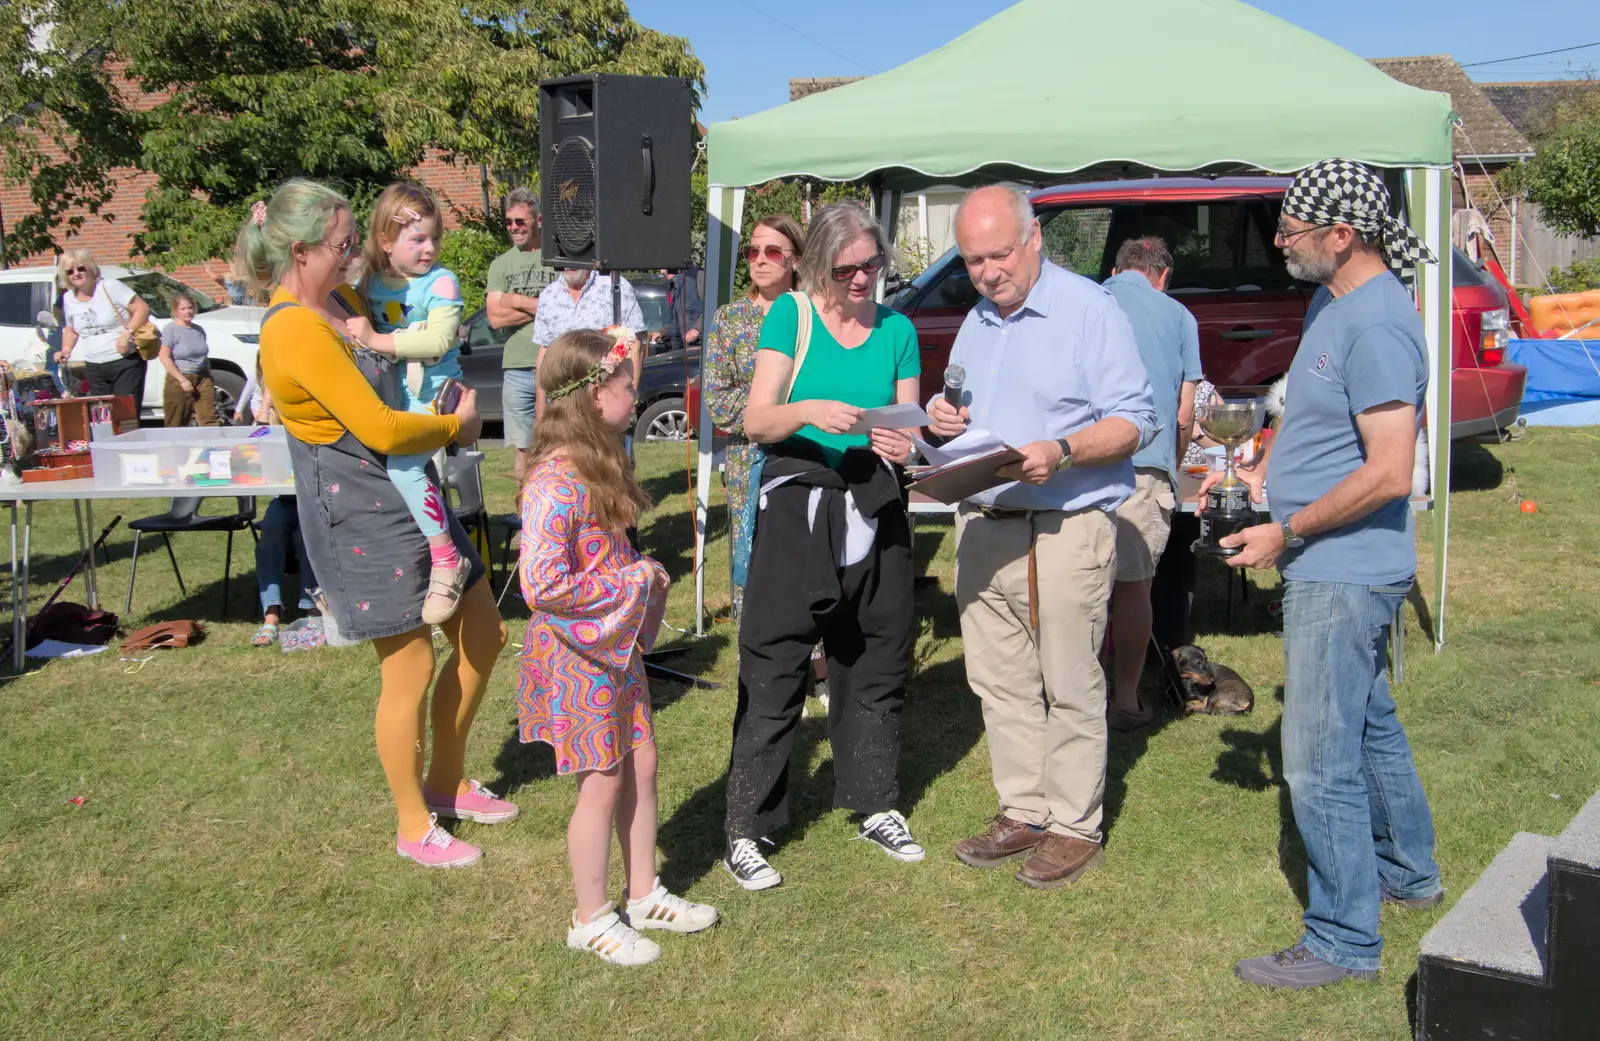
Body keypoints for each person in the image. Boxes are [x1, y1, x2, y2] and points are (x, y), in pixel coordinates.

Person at [1213, 159, 1442, 990]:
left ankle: (1344, 935)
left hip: (1343, 568)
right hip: (1333, 555)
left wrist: (1288, 529)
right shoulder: (1331, 301)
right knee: (1371, 721)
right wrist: (1257, 469)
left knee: (1316, 758)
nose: (1279, 240)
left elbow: (1387, 471)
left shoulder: (1377, 323)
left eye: (1293, 230)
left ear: (1343, 236)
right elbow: (1311, 415)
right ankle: (1408, 872)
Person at [240, 178, 513, 869]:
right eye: (342, 244)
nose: (356, 251)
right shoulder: (294, 329)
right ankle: (412, 822)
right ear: (300, 252)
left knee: (483, 630)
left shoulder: (341, 300)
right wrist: (460, 422)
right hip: (360, 508)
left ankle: (446, 781)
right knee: (411, 665)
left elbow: (399, 346)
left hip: (411, 490)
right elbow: (380, 426)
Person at [927, 185, 1156, 890]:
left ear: (1035, 240)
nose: (988, 272)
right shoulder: (977, 319)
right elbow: (964, 404)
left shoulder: (1091, 311)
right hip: (985, 523)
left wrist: (1060, 448)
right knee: (999, 682)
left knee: (1069, 679)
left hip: (1064, 522)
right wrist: (943, 416)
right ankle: (1023, 808)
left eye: (999, 255)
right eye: (973, 261)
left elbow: (1134, 421)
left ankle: (1074, 824)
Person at [721, 202, 925, 891]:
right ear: (819, 269)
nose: (863, 279)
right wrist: (809, 411)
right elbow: (756, 419)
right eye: (848, 269)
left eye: (873, 264)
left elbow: (910, 427)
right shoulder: (793, 316)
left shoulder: (898, 329)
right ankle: (748, 825)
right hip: (800, 507)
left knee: (875, 657)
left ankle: (875, 800)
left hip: (875, 502)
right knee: (774, 664)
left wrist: (906, 444)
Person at [518, 328, 718, 966]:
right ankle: (590, 916)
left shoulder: (597, 462)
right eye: (628, 383)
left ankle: (644, 892)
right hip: (579, 656)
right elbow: (541, 583)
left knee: (642, 763)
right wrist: (633, 577)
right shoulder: (554, 479)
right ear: (593, 392)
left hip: (614, 647)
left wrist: (631, 576)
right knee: (601, 781)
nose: (636, 392)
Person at [343, 183, 471, 625]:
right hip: (394, 400)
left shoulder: (441, 282)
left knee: (404, 469)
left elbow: (438, 339)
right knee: (393, 474)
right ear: (385, 241)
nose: (429, 248)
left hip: (435, 396)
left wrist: (376, 338)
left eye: (434, 238)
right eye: (417, 239)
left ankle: (446, 558)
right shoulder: (372, 284)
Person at [1101, 237, 1201, 729]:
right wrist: (1171, 466)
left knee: (1080, 585)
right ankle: (1124, 699)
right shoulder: (1180, 316)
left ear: (1118, 270)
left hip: (1080, 462)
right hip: (1145, 465)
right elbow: (1185, 415)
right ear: (1163, 277)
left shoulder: (1086, 299)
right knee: (1133, 588)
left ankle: (1074, 693)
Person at [703, 214, 807, 619]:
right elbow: (717, 397)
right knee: (755, 553)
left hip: (809, 451)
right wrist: (770, 413)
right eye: (753, 251)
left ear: (795, 259)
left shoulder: (813, 313)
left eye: (773, 251)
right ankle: (761, 657)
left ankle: (816, 661)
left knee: (806, 551)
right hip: (751, 458)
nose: (760, 259)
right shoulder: (730, 320)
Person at [485, 187, 555, 487]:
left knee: (558, 443)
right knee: (523, 448)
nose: (514, 227)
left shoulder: (556, 258)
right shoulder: (500, 265)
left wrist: (515, 299)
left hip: (554, 363)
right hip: (515, 367)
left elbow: (565, 307)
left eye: (520, 222)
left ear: (538, 220)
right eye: (509, 222)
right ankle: (525, 515)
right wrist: (541, 305)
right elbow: (495, 318)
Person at [532, 267, 645, 420]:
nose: (568, 264)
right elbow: (544, 353)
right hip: (562, 405)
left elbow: (634, 346)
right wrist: (540, 407)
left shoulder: (616, 286)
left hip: (605, 403)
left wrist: (628, 402)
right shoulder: (548, 295)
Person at [53, 249, 151, 402]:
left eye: (80, 268)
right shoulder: (68, 298)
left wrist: (127, 333)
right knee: (103, 419)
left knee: (125, 417)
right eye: (70, 271)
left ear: (90, 268)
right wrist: (66, 350)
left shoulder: (109, 286)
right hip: (95, 366)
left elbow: (142, 308)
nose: (76, 274)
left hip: (125, 361)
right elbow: (71, 329)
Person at [158, 293, 221, 427]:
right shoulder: (171, 329)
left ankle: (215, 446)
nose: (188, 311)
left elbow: (203, 355)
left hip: (202, 378)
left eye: (190, 307)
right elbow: (164, 356)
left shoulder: (198, 330)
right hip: (180, 378)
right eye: (183, 309)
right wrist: (182, 380)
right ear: (175, 311)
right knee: (176, 422)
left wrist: (208, 375)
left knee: (210, 419)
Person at [662, 264, 703, 350]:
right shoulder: (673, 286)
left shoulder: (697, 277)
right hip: (680, 348)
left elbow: (713, 306)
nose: (662, 271)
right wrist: (662, 332)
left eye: (665, 267)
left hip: (698, 348)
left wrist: (697, 329)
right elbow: (676, 320)